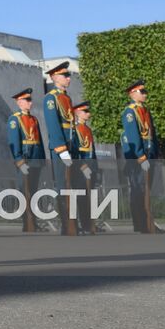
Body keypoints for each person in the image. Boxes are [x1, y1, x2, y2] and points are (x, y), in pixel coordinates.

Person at [121, 80, 165, 234]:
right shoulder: (130, 112)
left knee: (146, 190)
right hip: (138, 158)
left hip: (149, 154)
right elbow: (133, 136)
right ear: (133, 93)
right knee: (139, 190)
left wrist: (155, 152)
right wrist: (141, 156)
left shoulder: (145, 111)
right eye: (142, 92)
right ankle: (140, 223)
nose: (145, 94)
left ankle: (148, 221)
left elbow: (152, 134)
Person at [41, 63, 79, 236]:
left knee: (72, 184)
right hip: (61, 147)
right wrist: (61, 148)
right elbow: (53, 125)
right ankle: (67, 224)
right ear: (54, 77)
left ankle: (73, 222)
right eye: (64, 75)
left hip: (71, 145)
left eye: (68, 74)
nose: (68, 78)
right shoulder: (51, 98)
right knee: (64, 185)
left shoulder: (66, 98)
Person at [7, 88, 45, 233]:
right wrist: (19, 161)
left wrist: (42, 158)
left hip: (35, 158)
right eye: (27, 100)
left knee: (34, 192)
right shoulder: (14, 119)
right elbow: (14, 142)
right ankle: (27, 222)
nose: (30, 102)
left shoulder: (34, 119)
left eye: (30, 99)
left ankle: (34, 222)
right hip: (25, 158)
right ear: (19, 102)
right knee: (25, 191)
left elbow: (39, 140)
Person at [73, 102, 98, 235]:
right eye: (85, 111)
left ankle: (90, 224)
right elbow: (75, 151)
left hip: (91, 166)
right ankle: (84, 224)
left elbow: (91, 150)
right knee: (82, 197)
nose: (88, 113)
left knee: (91, 196)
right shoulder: (75, 129)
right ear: (77, 113)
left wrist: (95, 167)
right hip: (80, 168)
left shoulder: (88, 129)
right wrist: (82, 165)